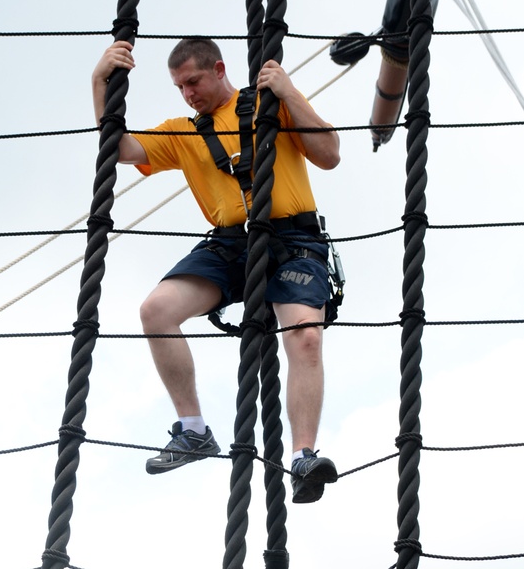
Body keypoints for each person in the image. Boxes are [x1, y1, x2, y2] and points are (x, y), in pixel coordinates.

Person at [91, 36, 341, 503]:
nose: (188, 94)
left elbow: (329, 154)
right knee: (156, 311)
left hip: (293, 238)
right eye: (179, 87)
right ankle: (192, 430)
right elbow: (120, 148)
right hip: (230, 244)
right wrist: (99, 81)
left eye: (193, 81)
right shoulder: (184, 133)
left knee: (305, 338)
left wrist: (287, 92)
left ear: (219, 69)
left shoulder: (273, 102)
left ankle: (303, 455)